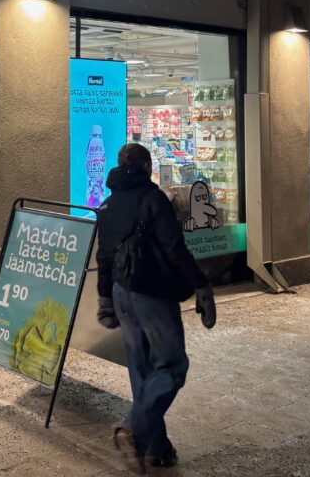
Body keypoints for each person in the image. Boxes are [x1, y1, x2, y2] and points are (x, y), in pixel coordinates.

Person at [95, 143, 216, 474]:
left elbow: (103, 258)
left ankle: (155, 448)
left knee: (142, 370)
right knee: (172, 365)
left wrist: (105, 299)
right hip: (152, 292)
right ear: (147, 166)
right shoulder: (152, 199)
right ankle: (134, 431)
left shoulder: (107, 204)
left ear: (120, 166)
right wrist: (201, 286)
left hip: (121, 292)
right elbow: (175, 248)